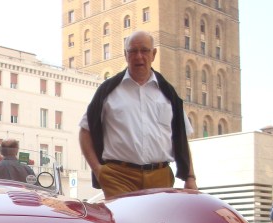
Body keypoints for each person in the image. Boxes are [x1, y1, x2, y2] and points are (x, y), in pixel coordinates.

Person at [78, 30, 197, 199]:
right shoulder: (108, 91)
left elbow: (181, 138)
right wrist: (98, 170)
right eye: (133, 51)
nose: (138, 56)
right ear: (125, 55)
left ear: (154, 54)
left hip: (160, 178)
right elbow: (85, 132)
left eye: (144, 50)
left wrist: (190, 177)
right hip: (118, 177)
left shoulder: (168, 93)